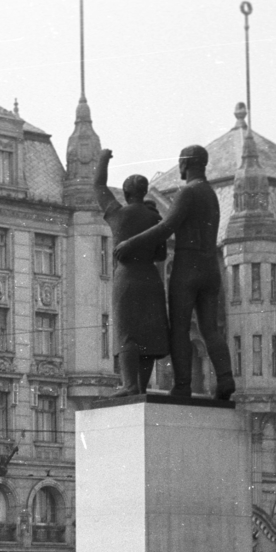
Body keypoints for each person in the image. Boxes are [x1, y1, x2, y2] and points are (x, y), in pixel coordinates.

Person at [114, 143, 236, 400]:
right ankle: (225, 379)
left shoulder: (187, 193)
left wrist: (130, 243)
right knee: (210, 329)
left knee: (179, 328)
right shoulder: (211, 194)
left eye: (180, 162)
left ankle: (182, 384)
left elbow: (166, 228)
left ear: (185, 164)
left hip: (187, 266)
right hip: (210, 268)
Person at [94, 149, 169, 396]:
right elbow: (161, 255)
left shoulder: (118, 213)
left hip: (126, 278)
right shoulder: (154, 218)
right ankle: (141, 386)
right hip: (150, 279)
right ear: (144, 192)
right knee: (147, 333)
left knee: (127, 332)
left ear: (126, 194)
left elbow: (98, 185)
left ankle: (129, 384)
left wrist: (104, 158)